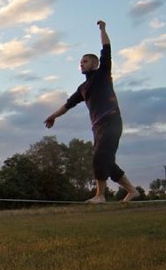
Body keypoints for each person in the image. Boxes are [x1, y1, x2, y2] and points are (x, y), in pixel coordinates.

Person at [44, 20, 139, 203]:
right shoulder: (82, 88)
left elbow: (106, 49)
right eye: (80, 62)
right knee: (107, 162)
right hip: (97, 127)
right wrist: (53, 116)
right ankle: (132, 191)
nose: (81, 64)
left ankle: (100, 196)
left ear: (94, 64)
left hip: (111, 120)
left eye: (85, 61)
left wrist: (103, 30)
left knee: (99, 157)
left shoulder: (103, 73)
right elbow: (68, 104)